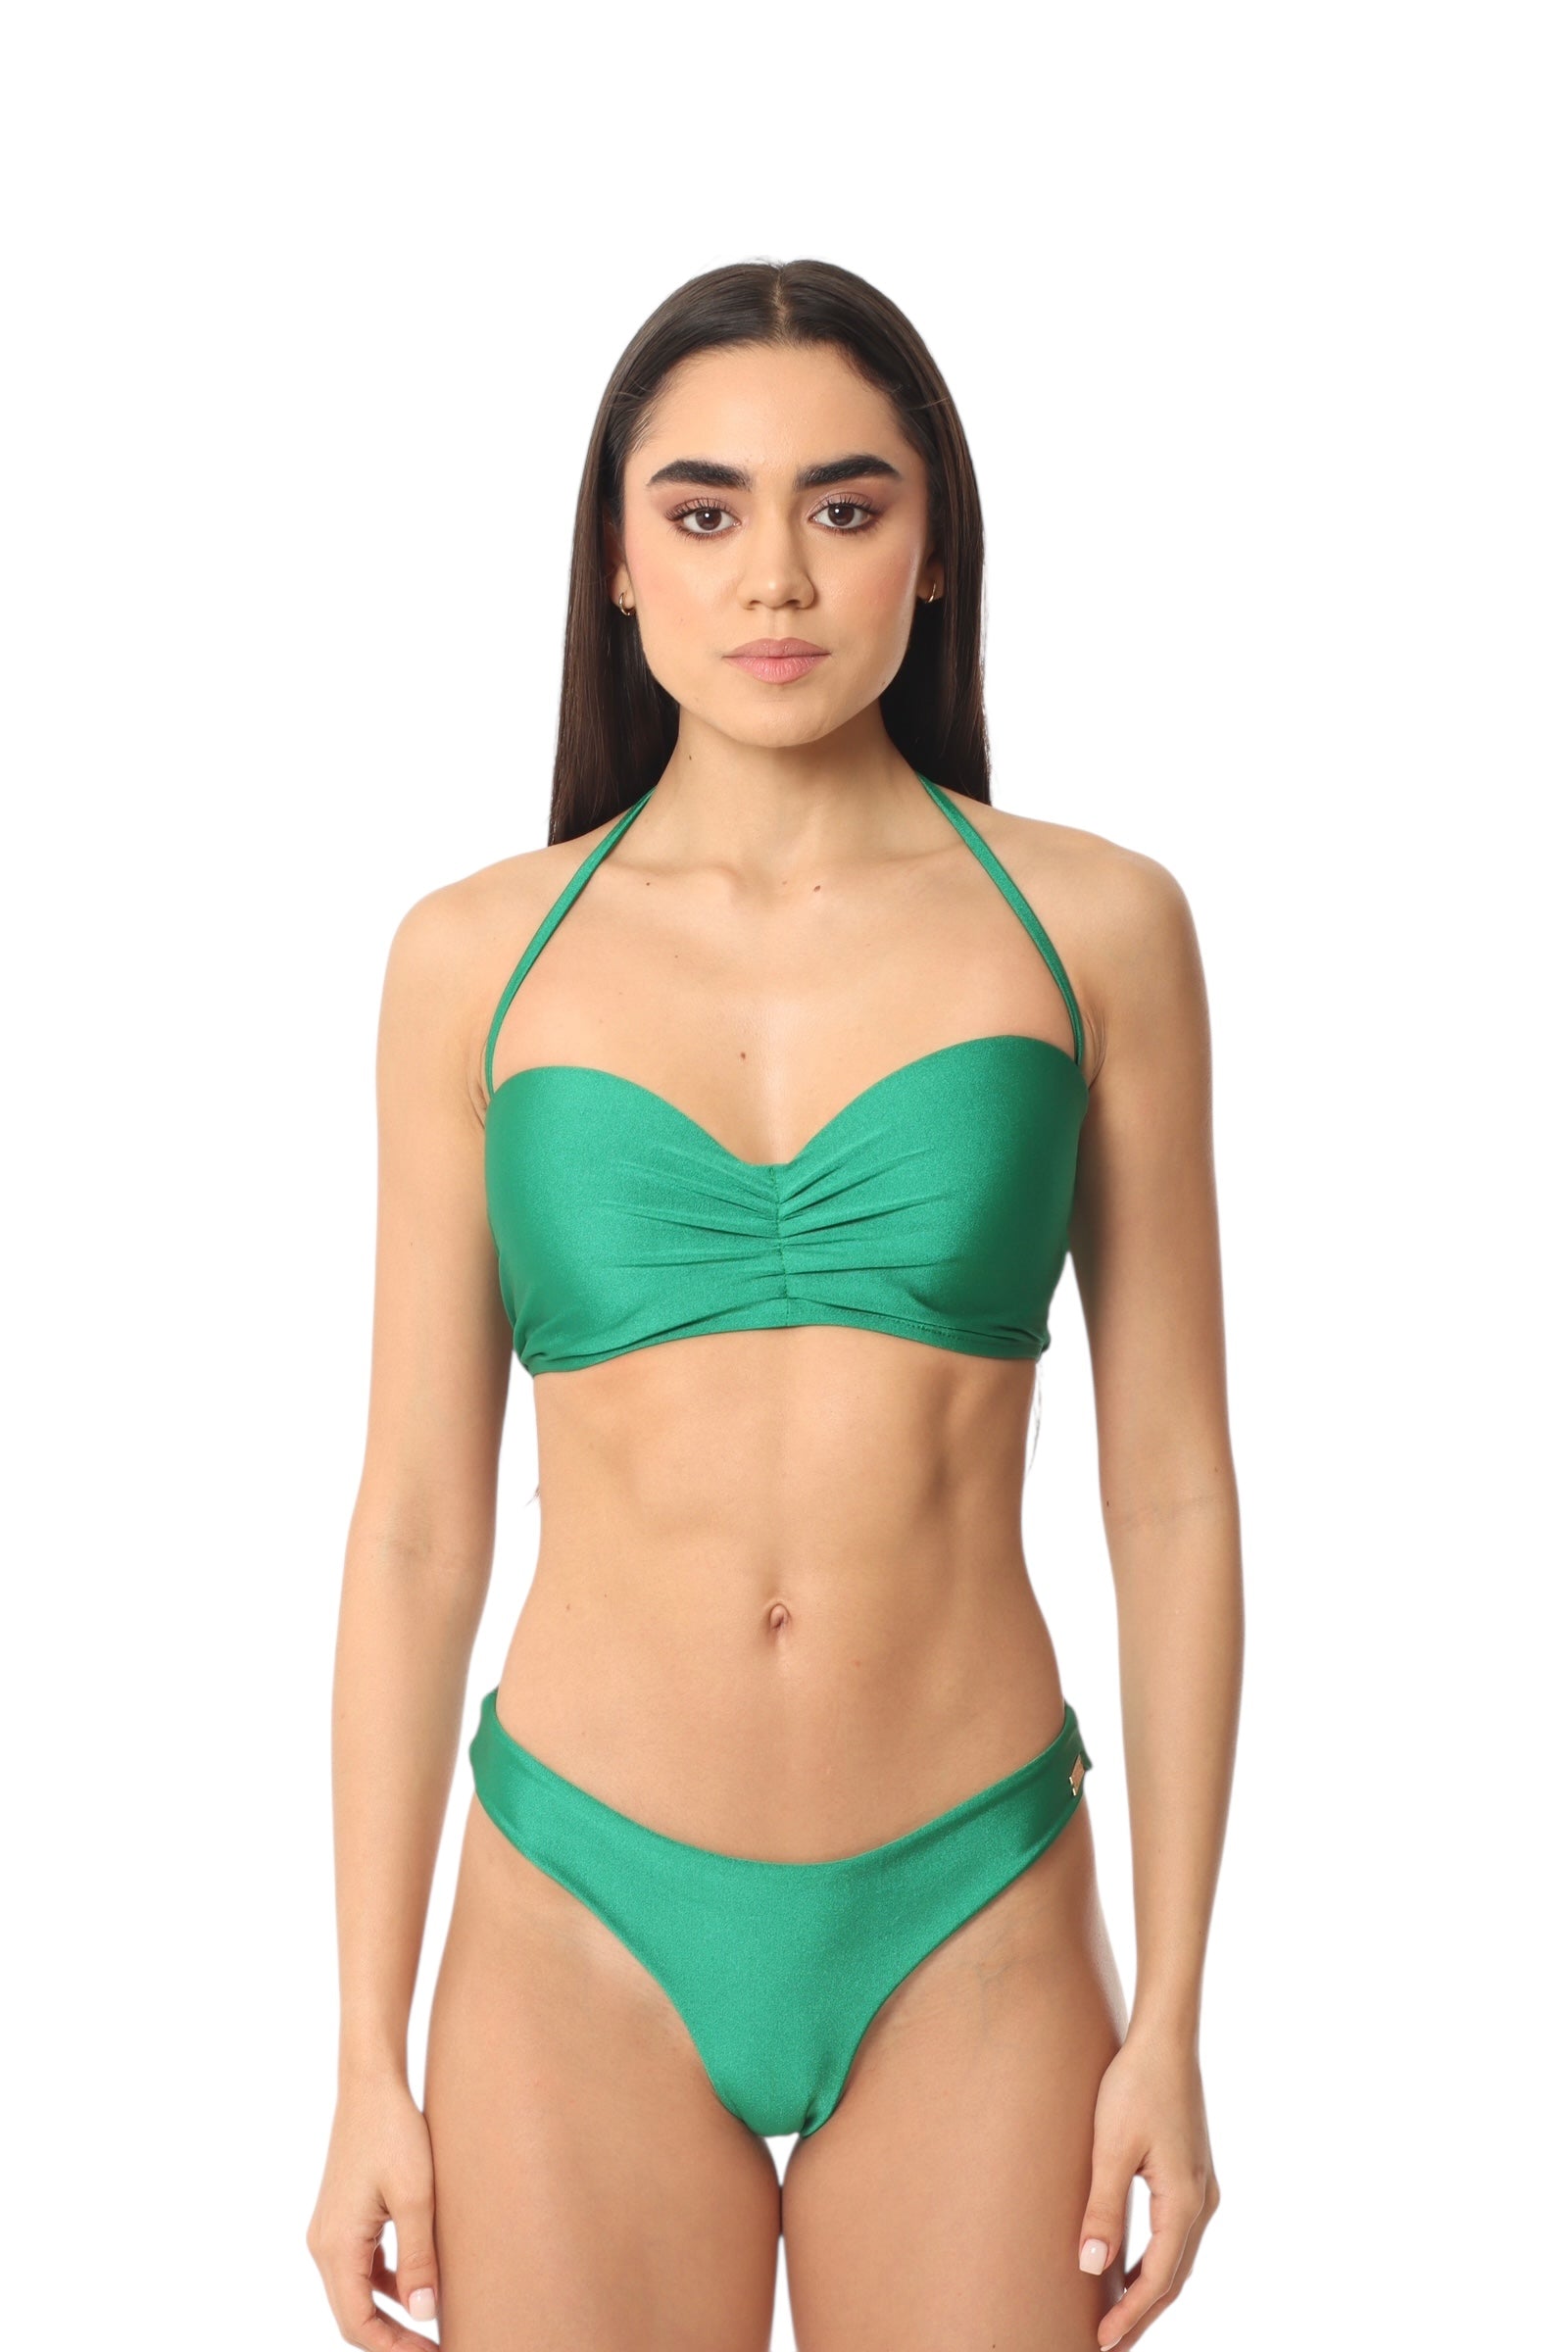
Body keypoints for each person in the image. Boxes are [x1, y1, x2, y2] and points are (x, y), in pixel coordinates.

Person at [307, 257, 1241, 2352]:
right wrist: (363, 2048)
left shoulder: (1095, 927)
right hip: (574, 1914)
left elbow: (1173, 1491)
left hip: (974, 1900)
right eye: (705, 510)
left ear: (933, 550)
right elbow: (417, 1525)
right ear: (616, 562)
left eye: (844, 504)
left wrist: (1175, 2014)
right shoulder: (475, 957)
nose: (777, 576)